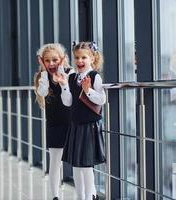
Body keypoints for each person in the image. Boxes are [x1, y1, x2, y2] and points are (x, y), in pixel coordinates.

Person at [53, 41, 106, 200]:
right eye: (77, 57)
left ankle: (90, 196)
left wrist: (88, 90)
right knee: (76, 164)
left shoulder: (95, 77)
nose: (80, 61)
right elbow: (68, 102)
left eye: (84, 57)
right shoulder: (72, 77)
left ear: (92, 58)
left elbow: (101, 99)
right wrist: (63, 86)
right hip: (75, 125)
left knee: (86, 165)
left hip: (89, 126)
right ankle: (80, 196)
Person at [34, 43, 74, 200]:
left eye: (55, 60)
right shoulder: (43, 77)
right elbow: (42, 92)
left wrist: (63, 75)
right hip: (54, 125)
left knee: (78, 162)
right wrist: (44, 73)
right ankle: (55, 196)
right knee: (55, 163)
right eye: (47, 60)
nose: (51, 64)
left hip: (72, 124)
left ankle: (86, 194)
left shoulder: (70, 74)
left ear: (62, 59)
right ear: (42, 61)